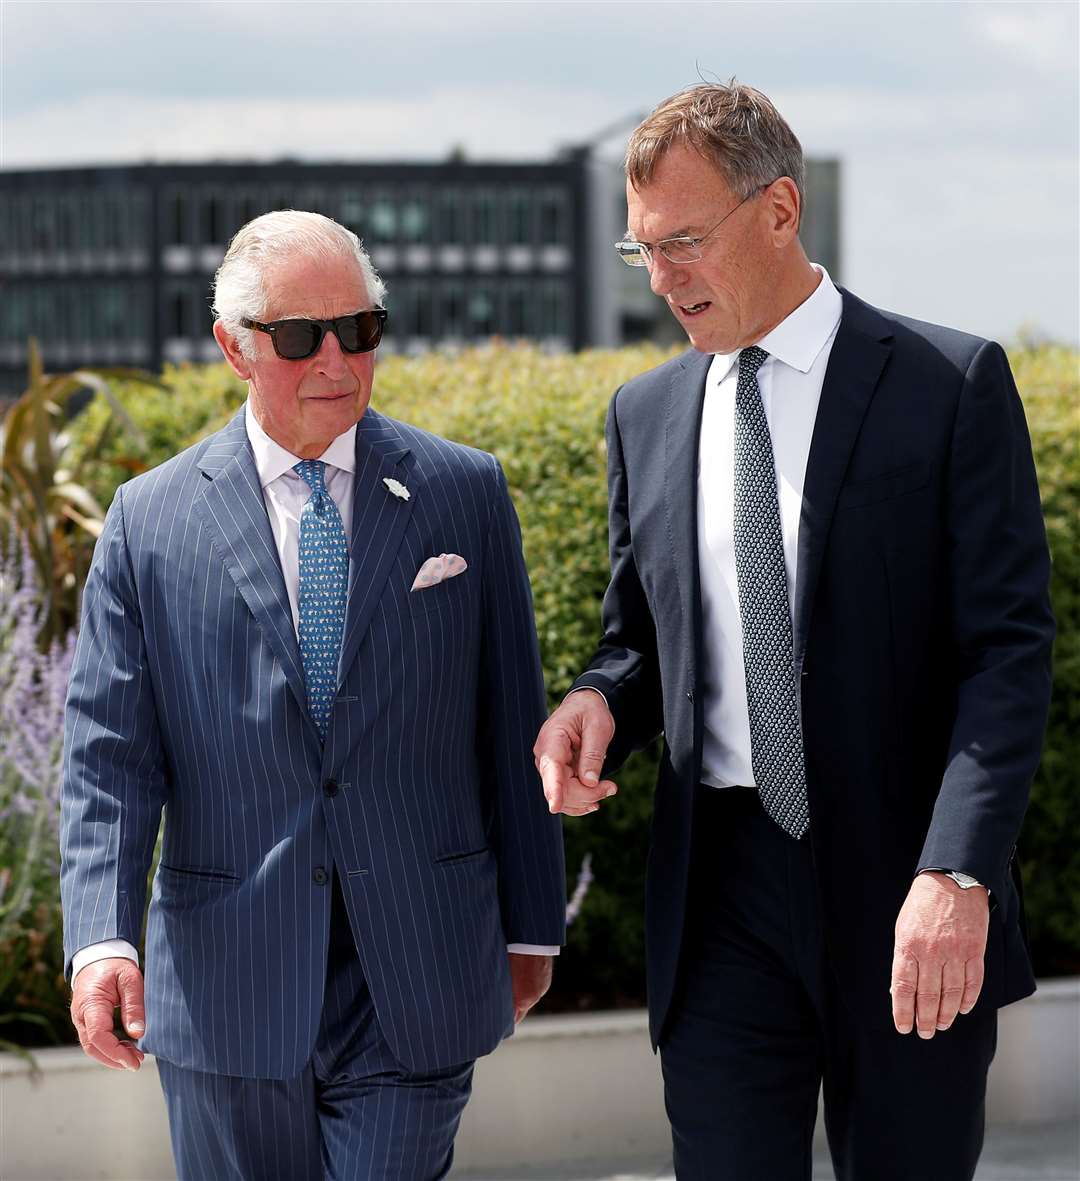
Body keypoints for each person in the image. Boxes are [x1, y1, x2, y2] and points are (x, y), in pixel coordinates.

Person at [534, 83, 1054, 1181]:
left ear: (778, 210)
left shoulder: (948, 385)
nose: (664, 279)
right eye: (641, 252)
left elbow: (1006, 653)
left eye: (684, 241)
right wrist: (594, 703)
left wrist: (959, 871)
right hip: (720, 894)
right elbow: (641, 642)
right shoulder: (646, 413)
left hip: (906, 888)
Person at [60, 210, 565, 1181]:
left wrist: (532, 923)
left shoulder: (465, 492)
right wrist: (101, 940)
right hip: (226, 989)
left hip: (416, 974)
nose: (338, 358)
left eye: (361, 328)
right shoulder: (148, 521)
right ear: (235, 347)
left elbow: (510, 723)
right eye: (301, 337)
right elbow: (109, 757)